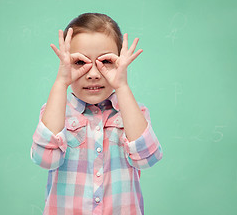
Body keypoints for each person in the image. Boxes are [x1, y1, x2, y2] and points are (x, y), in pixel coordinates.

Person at [30, 13, 162, 215]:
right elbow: (45, 159)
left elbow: (147, 158)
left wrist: (122, 85)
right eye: (80, 63)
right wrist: (61, 82)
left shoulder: (135, 113)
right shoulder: (55, 113)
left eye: (106, 61)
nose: (93, 74)